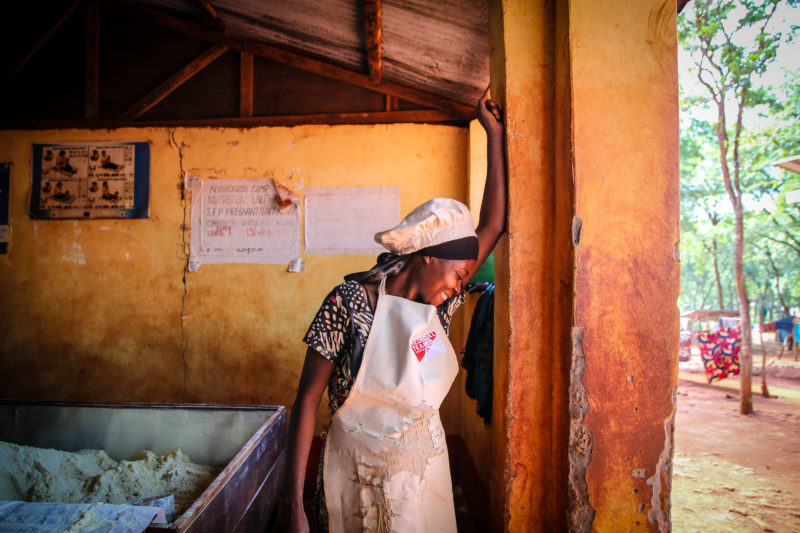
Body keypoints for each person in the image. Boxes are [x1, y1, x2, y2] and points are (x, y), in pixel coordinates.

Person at [280, 92, 506, 533]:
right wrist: (294, 505)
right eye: (459, 274)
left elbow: (493, 223)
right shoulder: (347, 303)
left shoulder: (440, 307)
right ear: (427, 257)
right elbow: (306, 401)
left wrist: (492, 134)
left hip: (423, 480)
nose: (461, 286)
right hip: (354, 479)